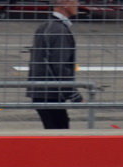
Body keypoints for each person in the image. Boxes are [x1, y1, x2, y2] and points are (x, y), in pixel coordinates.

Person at [28, 0, 80, 129]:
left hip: (41, 91)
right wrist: (73, 94)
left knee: (54, 130)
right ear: (65, 4)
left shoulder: (45, 26)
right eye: (75, 1)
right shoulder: (59, 30)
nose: (78, 4)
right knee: (60, 132)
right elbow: (59, 66)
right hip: (50, 93)